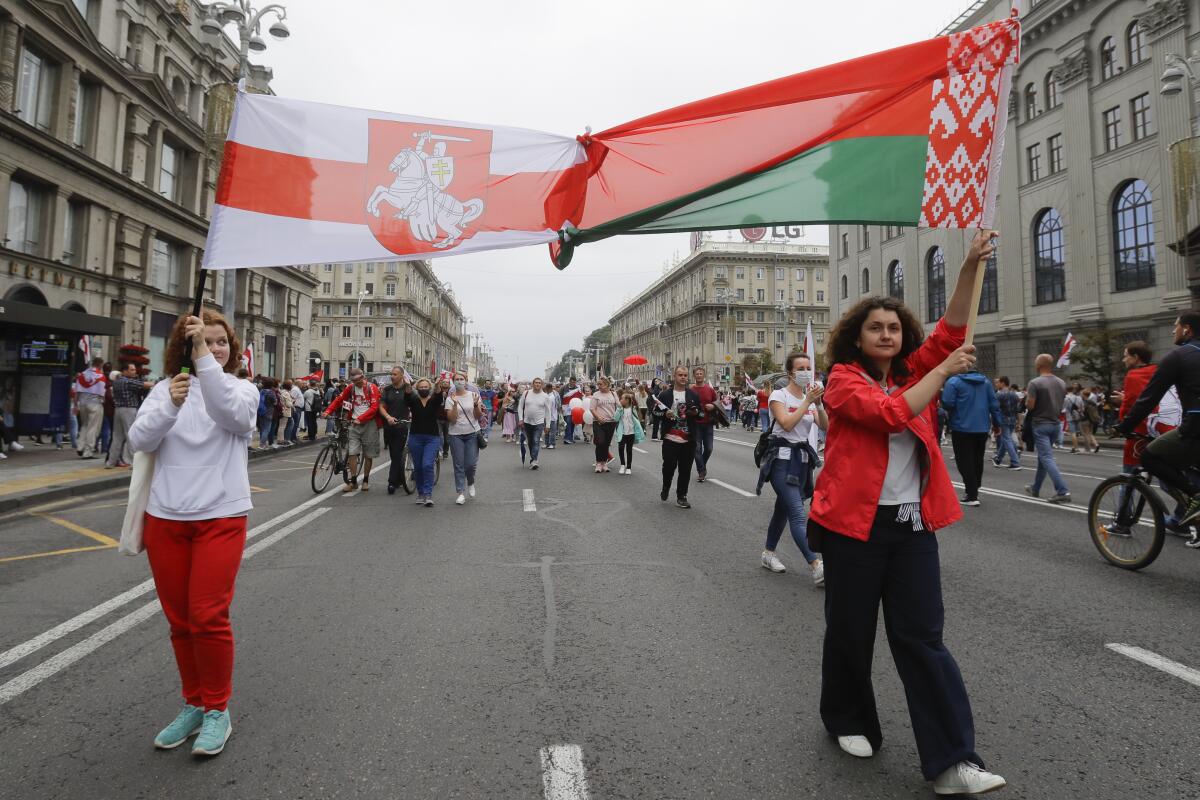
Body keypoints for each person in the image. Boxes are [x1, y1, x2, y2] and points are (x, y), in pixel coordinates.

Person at [809, 230, 1005, 795]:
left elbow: (952, 330)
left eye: (894, 327)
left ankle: (952, 762)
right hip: (853, 529)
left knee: (922, 638)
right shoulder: (843, 382)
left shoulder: (912, 369)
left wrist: (969, 264)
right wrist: (940, 374)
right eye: (876, 327)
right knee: (850, 631)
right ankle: (846, 718)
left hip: (911, 529)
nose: (887, 334)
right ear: (856, 336)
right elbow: (893, 414)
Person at [128, 311, 257, 758]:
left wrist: (202, 359)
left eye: (221, 342)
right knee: (180, 621)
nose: (216, 348)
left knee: (207, 616)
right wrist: (169, 405)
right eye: (205, 341)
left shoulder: (241, 388)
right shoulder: (166, 390)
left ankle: (218, 709)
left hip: (220, 516)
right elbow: (140, 440)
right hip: (166, 518)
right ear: (179, 349)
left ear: (230, 348)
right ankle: (195, 703)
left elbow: (235, 418)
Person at [1116, 312, 1200, 526]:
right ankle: (1185, 518)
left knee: (1149, 457)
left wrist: (1125, 426)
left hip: (1195, 427)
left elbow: (1148, 398)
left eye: (1176, 326)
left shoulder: (1178, 356)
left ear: (1187, 330)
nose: (1173, 331)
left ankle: (1195, 499)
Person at [757, 352, 827, 584]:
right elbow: (786, 424)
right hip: (781, 461)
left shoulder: (810, 400)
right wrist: (807, 402)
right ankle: (816, 565)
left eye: (809, 367)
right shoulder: (779, 395)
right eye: (801, 368)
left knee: (783, 510)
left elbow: (827, 426)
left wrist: (819, 404)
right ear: (790, 373)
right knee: (797, 513)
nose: (806, 371)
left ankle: (768, 553)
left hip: (802, 462)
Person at [940, 369, 1002, 507]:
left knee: (964, 461)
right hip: (982, 428)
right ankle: (975, 486)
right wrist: (997, 424)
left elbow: (948, 403)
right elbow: (994, 405)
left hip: (961, 427)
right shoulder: (986, 382)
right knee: (977, 459)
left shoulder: (953, 382)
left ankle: (972, 494)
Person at [322, 368, 381, 493]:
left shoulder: (372, 388)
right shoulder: (351, 388)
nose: (356, 382)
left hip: (369, 424)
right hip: (354, 424)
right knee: (352, 452)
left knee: (368, 454)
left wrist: (361, 418)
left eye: (357, 380)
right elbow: (339, 399)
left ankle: (365, 480)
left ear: (363, 377)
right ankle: (353, 481)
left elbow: (375, 407)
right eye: (353, 380)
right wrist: (328, 410)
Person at [1023, 355, 1071, 503]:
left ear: (1039, 365)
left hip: (1040, 424)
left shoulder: (1035, 383)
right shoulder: (1061, 382)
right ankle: (1036, 487)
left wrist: (1026, 400)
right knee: (1043, 457)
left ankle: (1062, 491)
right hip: (1055, 424)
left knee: (1046, 457)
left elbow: (1030, 406)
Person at [653, 366, 701, 508]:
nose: (683, 378)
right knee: (668, 466)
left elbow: (701, 413)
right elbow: (655, 413)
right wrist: (665, 414)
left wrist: (695, 413)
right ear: (675, 376)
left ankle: (682, 496)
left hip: (688, 439)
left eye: (685, 375)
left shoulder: (692, 395)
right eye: (680, 375)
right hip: (670, 438)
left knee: (685, 469)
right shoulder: (665, 394)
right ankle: (666, 486)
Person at [445, 372, 484, 504]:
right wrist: (455, 404)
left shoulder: (474, 395)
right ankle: (460, 492)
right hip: (456, 434)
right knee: (458, 464)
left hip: (472, 433)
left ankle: (471, 482)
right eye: (457, 379)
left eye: (462, 379)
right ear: (453, 381)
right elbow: (452, 419)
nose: (460, 381)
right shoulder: (450, 398)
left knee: (470, 464)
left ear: (466, 381)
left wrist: (474, 405)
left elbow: (479, 416)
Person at [106, 362, 153, 468]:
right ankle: (133, 462)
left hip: (118, 410)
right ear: (125, 371)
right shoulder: (128, 381)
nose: (134, 372)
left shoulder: (116, 382)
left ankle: (111, 462)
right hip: (129, 409)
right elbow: (145, 385)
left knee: (117, 437)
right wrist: (157, 384)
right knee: (131, 434)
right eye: (132, 370)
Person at [406, 378, 443, 506]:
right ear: (417, 388)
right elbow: (407, 396)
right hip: (415, 437)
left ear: (430, 388)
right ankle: (421, 493)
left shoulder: (434, 400)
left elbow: (439, 395)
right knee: (418, 467)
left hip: (432, 438)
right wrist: (409, 385)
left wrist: (437, 385)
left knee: (427, 464)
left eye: (425, 387)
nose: (423, 389)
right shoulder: (414, 400)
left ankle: (428, 494)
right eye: (420, 387)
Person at [379, 367, 412, 495]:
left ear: (402, 375)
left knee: (397, 454)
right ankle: (398, 479)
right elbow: (381, 406)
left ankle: (391, 482)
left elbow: (412, 402)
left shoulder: (408, 389)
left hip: (402, 426)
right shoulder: (387, 390)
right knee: (394, 454)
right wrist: (387, 417)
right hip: (389, 426)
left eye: (395, 374)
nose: (392, 376)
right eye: (391, 374)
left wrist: (409, 388)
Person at [690, 366, 719, 482]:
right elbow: (686, 404)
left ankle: (702, 465)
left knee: (709, 448)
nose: (699, 375)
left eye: (701, 373)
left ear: (704, 375)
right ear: (694, 376)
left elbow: (717, 402)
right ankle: (701, 471)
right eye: (697, 373)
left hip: (708, 423)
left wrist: (713, 406)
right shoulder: (691, 390)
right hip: (695, 423)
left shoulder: (710, 389)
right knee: (696, 449)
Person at [75, 356, 106, 459]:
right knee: (93, 427)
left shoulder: (82, 375)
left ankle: (80, 446)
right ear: (100, 364)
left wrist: (75, 405)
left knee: (84, 425)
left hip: (82, 403)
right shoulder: (101, 376)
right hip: (95, 404)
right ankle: (88, 451)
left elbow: (77, 392)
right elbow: (102, 394)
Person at [518, 377, 552, 470]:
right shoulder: (526, 393)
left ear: (542, 385)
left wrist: (548, 425)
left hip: (539, 422)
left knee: (536, 440)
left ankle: (534, 461)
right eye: (536, 383)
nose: (537, 384)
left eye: (539, 383)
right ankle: (533, 458)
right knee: (530, 442)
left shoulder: (545, 396)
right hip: (527, 422)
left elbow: (548, 412)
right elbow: (520, 407)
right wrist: (521, 419)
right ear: (533, 384)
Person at [590, 376, 620, 473]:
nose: (598, 386)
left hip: (611, 422)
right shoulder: (596, 394)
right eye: (598, 384)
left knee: (606, 443)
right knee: (600, 442)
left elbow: (618, 406)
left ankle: (604, 463)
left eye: (600, 384)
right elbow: (592, 408)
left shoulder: (613, 394)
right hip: (598, 422)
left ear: (607, 384)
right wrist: (598, 417)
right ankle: (598, 462)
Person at [992, 377, 1022, 470]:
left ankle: (1015, 462)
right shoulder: (1014, 395)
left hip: (1003, 419)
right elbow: (1018, 410)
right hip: (1013, 419)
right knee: (1006, 439)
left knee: (1007, 440)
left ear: (1003, 383)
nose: (997, 384)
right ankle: (998, 459)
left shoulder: (999, 395)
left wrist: (994, 422)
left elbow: (995, 409)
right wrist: (1018, 422)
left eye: (999, 383)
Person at [614, 391, 644, 474]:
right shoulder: (620, 409)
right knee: (621, 448)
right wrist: (619, 409)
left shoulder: (632, 409)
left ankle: (629, 467)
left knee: (629, 450)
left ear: (627, 400)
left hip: (631, 433)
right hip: (622, 432)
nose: (620, 400)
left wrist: (639, 431)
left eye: (622, 398)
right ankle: (622, 465)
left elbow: (637, 420)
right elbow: (616, 419)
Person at [1062, 383, 1086, 454]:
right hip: (1078, 416)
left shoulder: (1066, 398)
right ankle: (1074, 446)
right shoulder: (1079, 398)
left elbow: (1063, 409)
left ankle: (1076, 448)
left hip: (1070, 417)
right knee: (1076, 432)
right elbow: (1083, 409)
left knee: (1073, 433)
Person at [1079, 388, 1101, 453]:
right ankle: (1096, 444)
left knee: (1085, 434)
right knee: (1090, 433)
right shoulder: (1092, 402)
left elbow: (1082, 411)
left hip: (1084, 420)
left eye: (1081, 394)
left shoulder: (1083, 402)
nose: (1080, 395)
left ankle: (1087, 449)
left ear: (1083, 395)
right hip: (1092, 419)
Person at [561, 377, 582, 444]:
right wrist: (560, 406)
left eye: (574, 382)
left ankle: (570, 438)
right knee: (568, 422)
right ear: (569, 381)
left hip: (575, 408)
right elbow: (560, 397)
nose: (573, 383)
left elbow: (580, 398)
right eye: (572, 382)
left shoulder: (577, 389)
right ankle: (567, 438)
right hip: (566, 408)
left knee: (572, 423)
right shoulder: (564, 388)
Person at [279, 380, 296, 446]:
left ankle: (284, 439)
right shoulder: (286, 393)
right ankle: (281, 440)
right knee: (282, 426)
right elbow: (288, 404)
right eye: (291, 385)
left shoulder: (282, 392)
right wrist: (293, 402)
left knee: (285, 425)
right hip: (285, 411)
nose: (292, 386)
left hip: (284, 411)